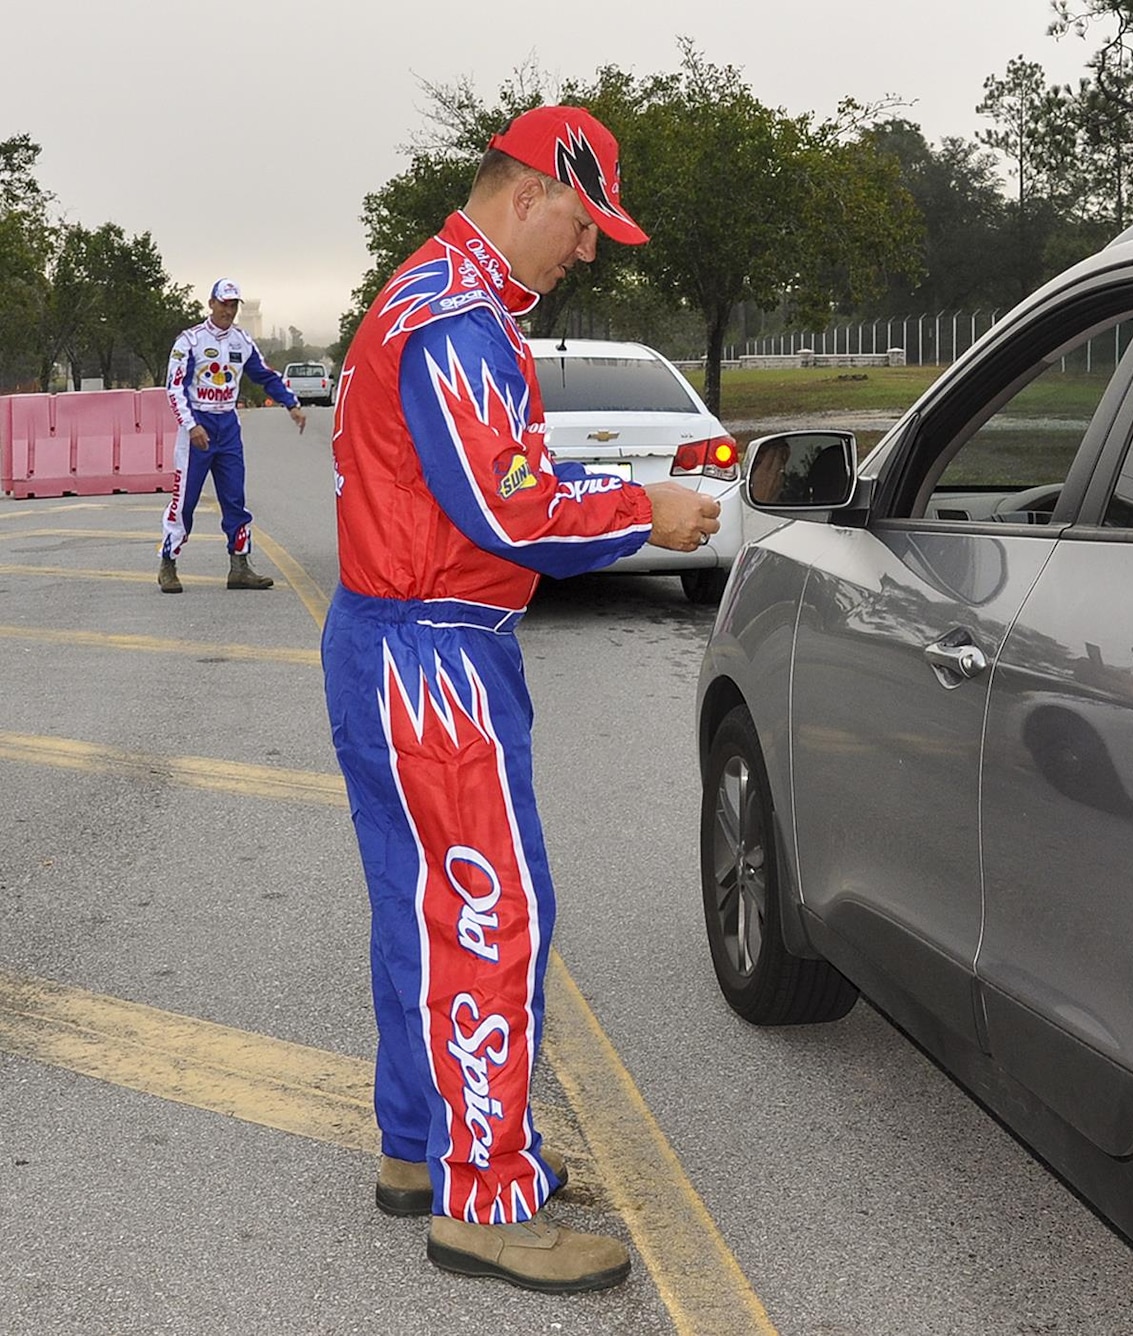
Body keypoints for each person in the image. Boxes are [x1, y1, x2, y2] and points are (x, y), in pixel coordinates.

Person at [319, 105, 721, 1294]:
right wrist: (645, 511)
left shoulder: (433, 294)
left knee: (424, 913)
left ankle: (422, 1151)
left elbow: (501, 478)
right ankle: (484, 1197)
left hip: (395, 643)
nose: (588, 250)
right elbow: (511, 510)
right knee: (493, 919)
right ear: (527, 192)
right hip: (433, 657)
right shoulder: (455, 319)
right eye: (583, 222)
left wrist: (616, 495)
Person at [158, 279, 306, 593]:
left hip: (228, 426)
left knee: (235, 499)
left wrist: (290, 403)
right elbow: (174, 387)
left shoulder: (241, 340)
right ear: (211, 303)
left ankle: (240, 566)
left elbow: (264, 374)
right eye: (223, 303)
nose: (228, 310)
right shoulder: (189, 341)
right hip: (197, 426)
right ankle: (168, 563)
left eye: (233, 304)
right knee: (185, 500)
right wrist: (191, 425)